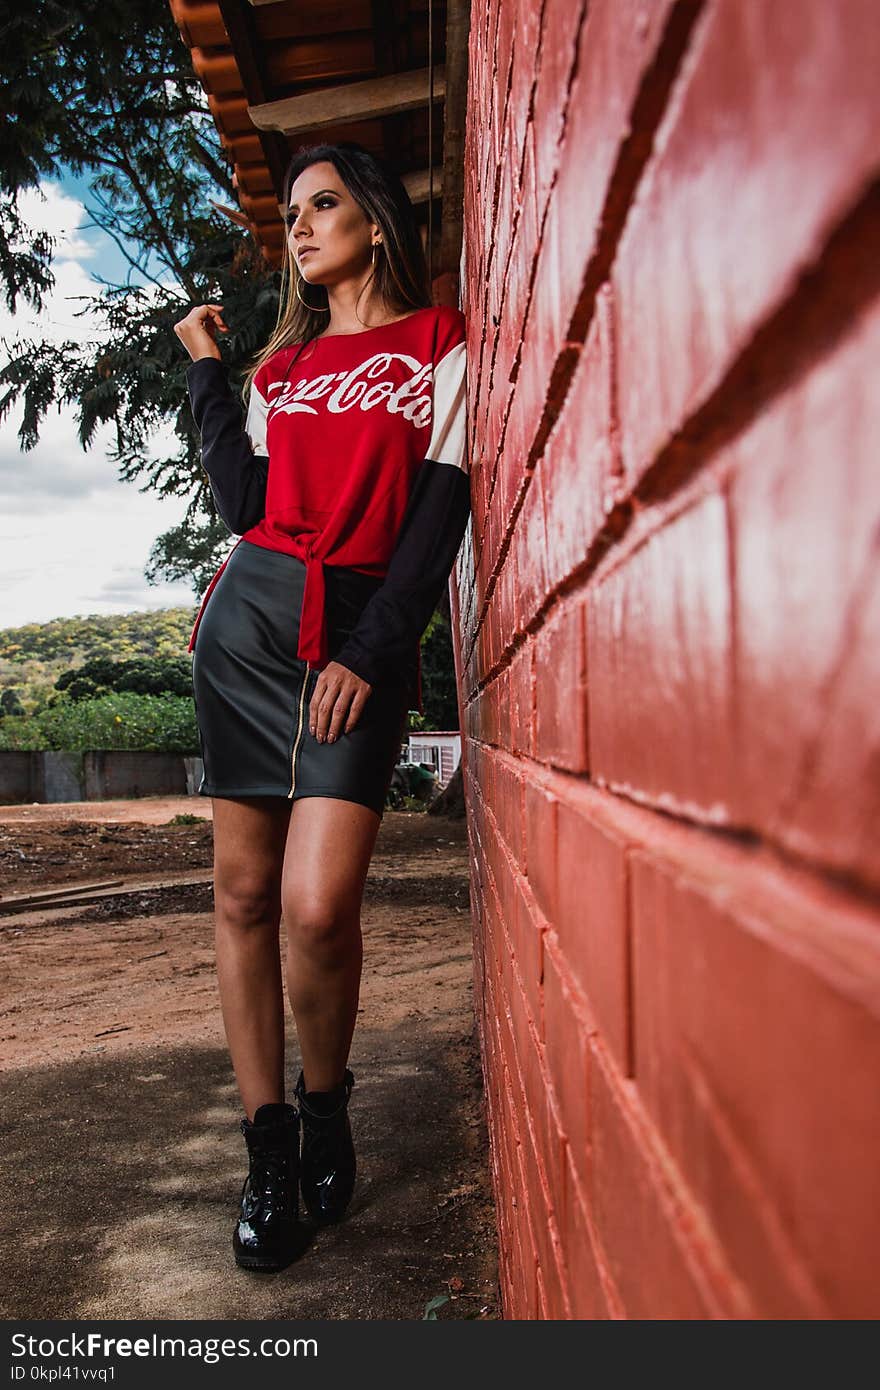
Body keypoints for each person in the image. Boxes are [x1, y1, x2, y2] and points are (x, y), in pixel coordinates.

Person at [173, 141, 471, 1272]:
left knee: (316, 905)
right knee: (245, 896)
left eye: (323, 204)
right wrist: (208, 365)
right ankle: (267, 1147)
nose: (299, 228)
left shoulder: (439, 346)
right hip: (249, 626)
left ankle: (327, 1096)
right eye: (292, 213)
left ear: (376, 221)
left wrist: (376, 647)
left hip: (357, 630)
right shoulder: (280, 372)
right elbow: (242, 501)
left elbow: (437, 515)